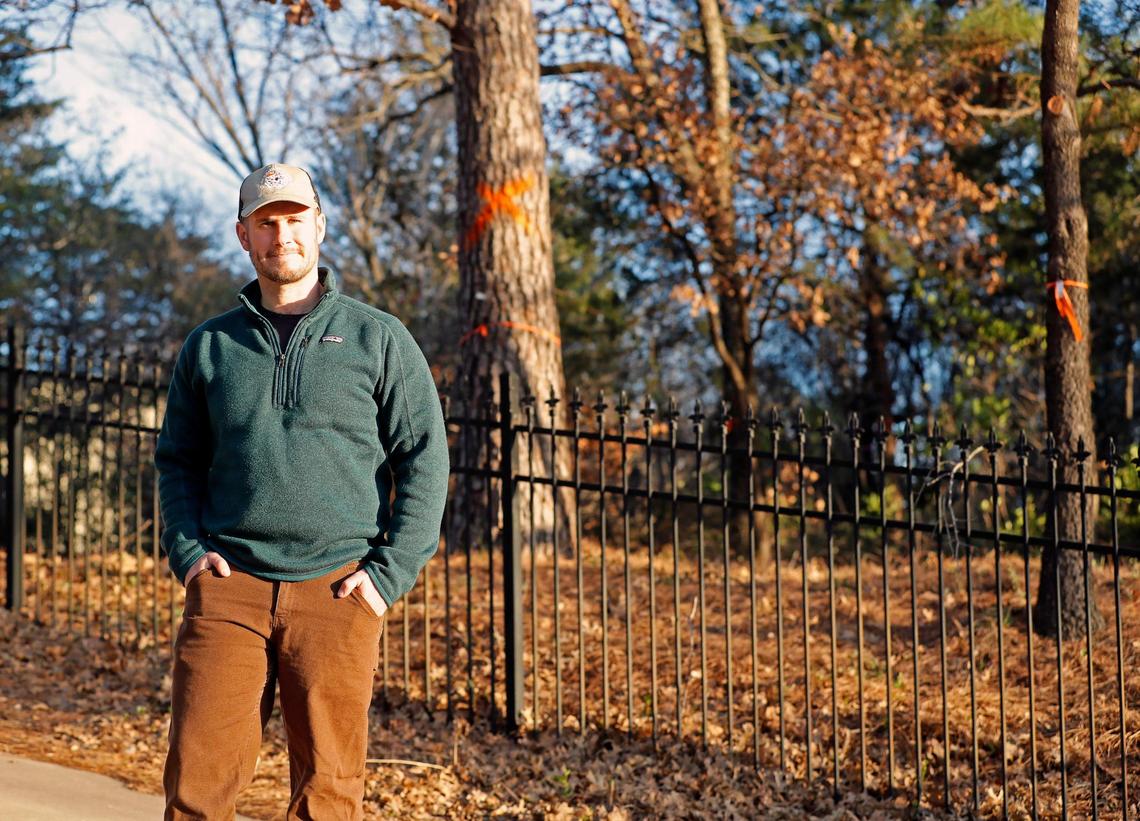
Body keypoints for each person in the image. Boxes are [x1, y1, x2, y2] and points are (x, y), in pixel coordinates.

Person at [155, 162, 449, 819]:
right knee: (198, 791)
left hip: (338, 588)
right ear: (243, 234)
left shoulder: (380, 340)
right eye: (266, 223)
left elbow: (425, 459)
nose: (281, 235)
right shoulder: (210, 347)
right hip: (229, 585)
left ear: (319, 225)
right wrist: (189, 554)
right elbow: (176, 460)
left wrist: (386, 575)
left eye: (294, 220)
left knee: (328, 795)